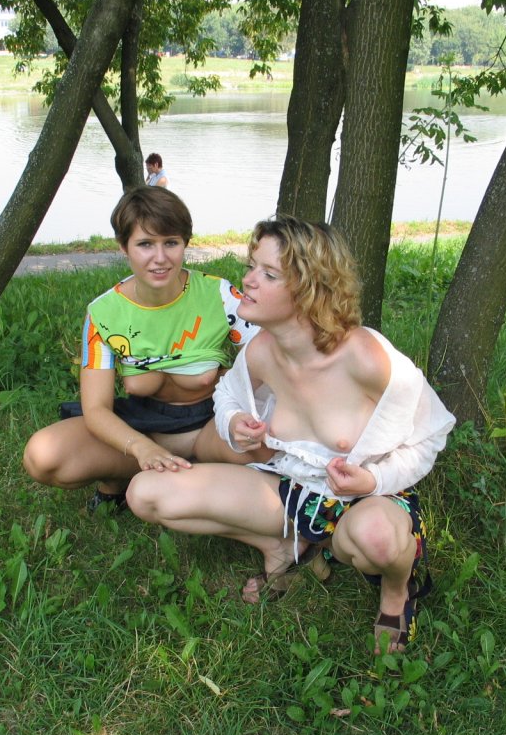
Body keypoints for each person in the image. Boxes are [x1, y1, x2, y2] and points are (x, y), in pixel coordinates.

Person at [127, 216, 456, 654]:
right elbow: (227, 394)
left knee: (376, 537)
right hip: (292, 493)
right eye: (252, 266)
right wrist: (234, 423)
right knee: (146, 493)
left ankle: (398, 591)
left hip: (366, 501)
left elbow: (431, 434)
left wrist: (374, 480)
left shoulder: (365, 356)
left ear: (308, 289)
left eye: (268, 274)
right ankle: (286, 545)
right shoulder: (262, 349)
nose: (248, 280)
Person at [23, 185, 259, 512]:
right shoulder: (103, 314)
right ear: (124, 246)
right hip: (141, 428)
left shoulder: (218, 295)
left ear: (185, 243)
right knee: (43, 455)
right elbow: (96, 409)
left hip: (212, 426)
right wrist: (141, 448)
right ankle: (135, 473)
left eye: (171, 242)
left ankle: (189, 475)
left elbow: (269, 357)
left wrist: (238, 402)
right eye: (145, 244)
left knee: (270, 444)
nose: (160, 258)